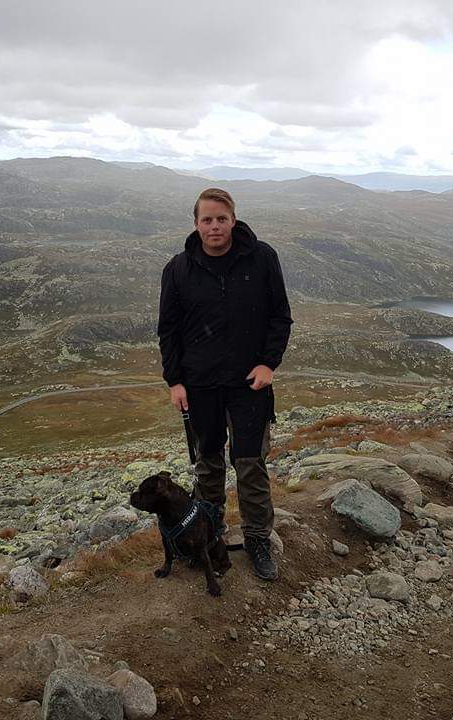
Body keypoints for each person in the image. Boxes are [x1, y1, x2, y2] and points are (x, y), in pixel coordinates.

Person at [157, 188, 292, 581]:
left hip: (250, 384)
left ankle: (256, 539)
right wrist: (175, 382)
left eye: (221, 218)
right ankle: (210, 533)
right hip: (200, 386)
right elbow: (168, 332)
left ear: (233, 220)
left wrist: (268, 363)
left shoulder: (262, 258)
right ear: (196, 224)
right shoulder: (178, 269)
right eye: (206, 220)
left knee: (250, 464)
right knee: (209, 463)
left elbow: (280, 317)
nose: (214, 226)